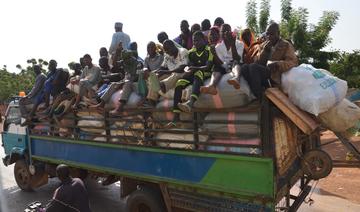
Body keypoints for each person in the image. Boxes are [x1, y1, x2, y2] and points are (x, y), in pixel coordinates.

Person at [227, 22, 298, 99]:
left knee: (254, 67)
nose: (269, 37)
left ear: (278, 33)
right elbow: (258, 62)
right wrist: (265, 51)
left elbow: (293, 62)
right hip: (263, 74)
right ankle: (257, 92)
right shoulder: (263, 45)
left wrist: (278, 64)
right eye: (267, 34)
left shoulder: (286, 45)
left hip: (275, 75)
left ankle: (259, 96)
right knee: (245, 67)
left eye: (272, 34)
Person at [165, 31, 214, 128]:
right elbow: (190, 66)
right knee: (179, 83)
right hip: (194, 72)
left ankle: (191, 102)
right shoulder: (191, 52)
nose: (195, 43)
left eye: (197, 40)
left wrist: (193, 68)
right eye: (194, 41)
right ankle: (176, 117)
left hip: (206, 73)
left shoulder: (209, 50)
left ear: (204, 40)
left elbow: (208, 67)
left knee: (198, 73)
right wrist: (187, 71)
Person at [200, 24, 244, 95]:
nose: (225, 33)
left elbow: (238, 59)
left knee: (235, 62)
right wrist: (214, 54)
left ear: (231, 32)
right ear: (220, 34)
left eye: (227, 31)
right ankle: (211, 86)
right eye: (223, 31)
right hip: (225, 66)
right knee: (217, 67)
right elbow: (221, 63)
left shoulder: (239, 43)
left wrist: (233, 45)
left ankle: (236, 79)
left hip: (237, 65)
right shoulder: (218, 47)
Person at [110, 50, 141, 114]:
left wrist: (126, 81)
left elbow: (138, 77)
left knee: (127, 84)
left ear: (130, 57)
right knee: (113, 84)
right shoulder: (124, 61)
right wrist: (117, 52)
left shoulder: (138, 63)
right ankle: (102, 103)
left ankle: (120, 108)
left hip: (135, 82)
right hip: (126, 80)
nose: (125, 61)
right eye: (124, 60)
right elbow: (114, 64)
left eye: (126, 59)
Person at [138, 41, 165, 106]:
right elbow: (145, 67)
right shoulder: (147, 59)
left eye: (151, 47)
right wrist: (145, 70)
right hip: (151, 75)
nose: (149, 49)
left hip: (159, 74)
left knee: (152, 77)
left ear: (155, 48)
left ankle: (151, 100)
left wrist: (153, 72)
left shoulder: (160, 57)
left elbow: (163, 68)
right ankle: (144, 97)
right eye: (148, 48)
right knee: (141, 74)